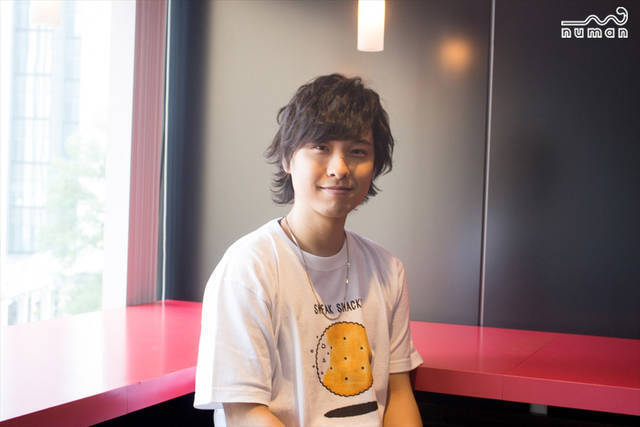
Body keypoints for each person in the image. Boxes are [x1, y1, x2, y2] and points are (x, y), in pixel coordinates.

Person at [194, 73, 423, 426]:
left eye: (357, 151)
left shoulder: (387, 269)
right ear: (288, 158)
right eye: (321, 147)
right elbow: (244, 414)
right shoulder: (249, 269)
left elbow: (399, 396)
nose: (339, 168)